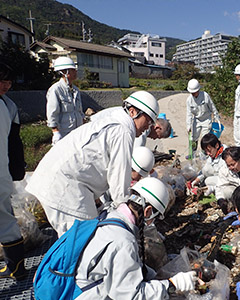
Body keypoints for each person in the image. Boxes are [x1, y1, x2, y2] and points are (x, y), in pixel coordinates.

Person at [26, 91, 159, 237]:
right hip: (64, 187)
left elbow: (90, 164)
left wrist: (99, 202)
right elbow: (118, 179)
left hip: (60, 179)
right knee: (80, 241)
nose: (149, 126)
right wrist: (128, 216)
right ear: (133, 112)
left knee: (86, 235)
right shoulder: (123, 130)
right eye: (148, 120)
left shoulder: (114, 122)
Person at [41, 177, 197, 299]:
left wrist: (153, 276)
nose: (152, 223)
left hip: (70, 288)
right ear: (148, 211)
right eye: (154, 218)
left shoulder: (108, 217)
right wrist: (170, 285)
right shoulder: (123, 242)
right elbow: (131, 296)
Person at [0, 63, 26, 280]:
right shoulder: (7, 106)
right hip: (2, 173)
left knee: (5, 218)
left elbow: (14, 141)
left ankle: (16, 267)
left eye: (8, 81)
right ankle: (16, 267)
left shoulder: (8, 105)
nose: (6, 85)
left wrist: (17, 168)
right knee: (6, 219)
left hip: (2, 172)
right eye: (2, 80)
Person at [46, 56, 84, 145]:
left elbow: (79, 111)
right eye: (72, 70)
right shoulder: (56, 89)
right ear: (64, 72)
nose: (75, 72)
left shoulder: (76, 90)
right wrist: (55, 132)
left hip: (77, 131)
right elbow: (52, 112)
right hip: (64, 132)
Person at [186, 79, 220, 157]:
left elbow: (212, 107)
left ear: (198, 89)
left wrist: (216, 116)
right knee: (194, 138)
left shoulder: (205, 96)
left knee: (205, 138)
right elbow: (188, 114)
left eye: (194, 92)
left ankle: (204, 154)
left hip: (206, 119)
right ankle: (192, 153)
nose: (193, 94)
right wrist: (188, 126)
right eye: (192, 92)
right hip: (197, 120)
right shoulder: (189, 100)